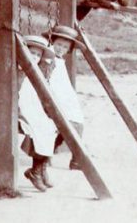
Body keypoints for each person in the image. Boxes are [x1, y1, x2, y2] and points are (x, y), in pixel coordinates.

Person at [18, 35, 59, 192]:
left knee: (51, 127)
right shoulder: (20, 68)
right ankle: (36, 171)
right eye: (31, 53)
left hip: (33, 107)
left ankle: (40, 169)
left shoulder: (38, 71)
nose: (33, 57)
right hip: (22, 106)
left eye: (37, 55)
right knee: (41, 130)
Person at [45, 25, 86, 170]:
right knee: (70, 123)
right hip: (53, 99)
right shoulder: (49, 59)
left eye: (64, 47)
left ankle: (73, 157)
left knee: (77, 121)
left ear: (69, 50)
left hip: (63, 100)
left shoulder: (60, 61)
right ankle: (75, 158)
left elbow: (63, 85)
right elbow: (47, 81)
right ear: (51, 42)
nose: (60, 49)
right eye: (58, 45)